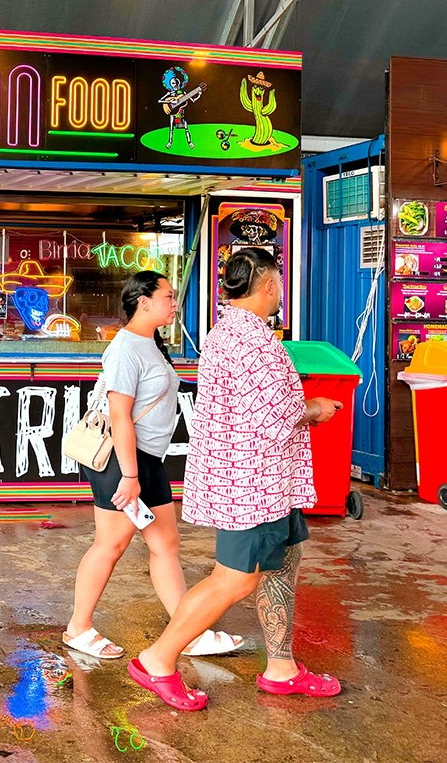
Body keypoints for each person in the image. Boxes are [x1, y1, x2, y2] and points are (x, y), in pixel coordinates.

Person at [128, 248, 343, 711]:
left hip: (267, 480)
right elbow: (274, 417)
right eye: (280, 281)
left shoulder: (234, 333)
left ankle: (282, 667)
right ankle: (157, 660)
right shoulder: (250, 340)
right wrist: (317, 409)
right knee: (234, 579)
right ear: (268, 285)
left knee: (283, 560)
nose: (281, 290)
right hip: (253, 483)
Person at [64, 271, 243, 661]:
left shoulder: (149, 344)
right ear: (143, 302)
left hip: (146, 459)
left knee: (165, 545)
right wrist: (129, 476)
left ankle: (188, 632)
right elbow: (119, 415)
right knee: (111, 544)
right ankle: (78, 627)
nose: (174, 303)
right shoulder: (126, 348)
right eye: (168, 296)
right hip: (121, 460)